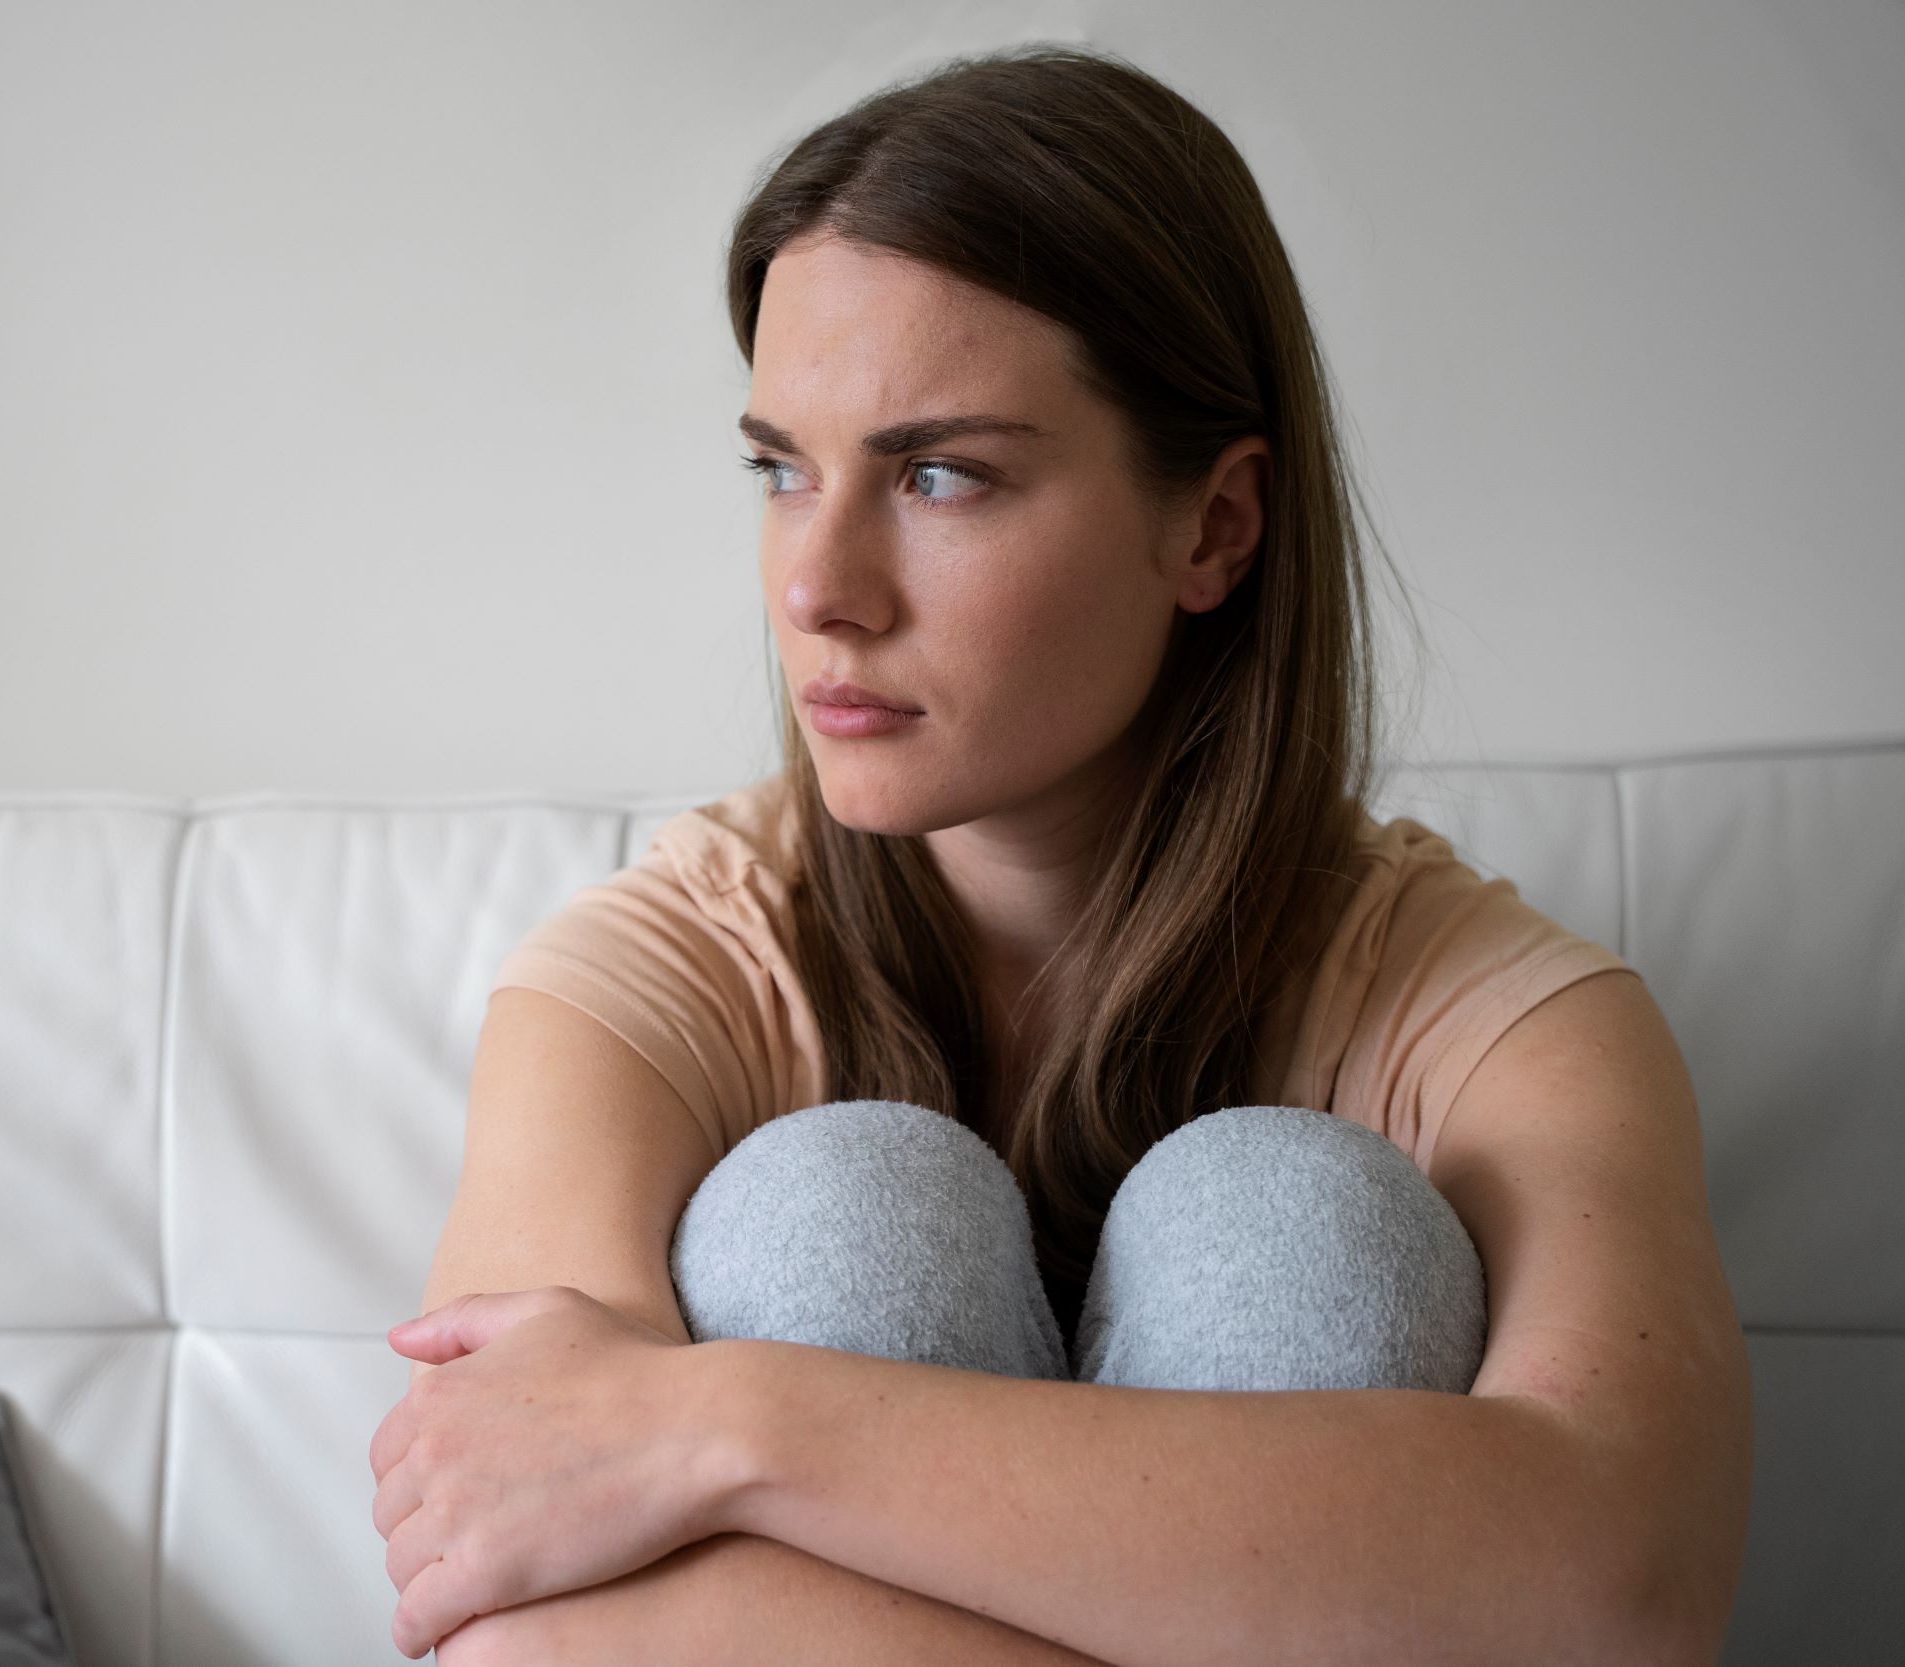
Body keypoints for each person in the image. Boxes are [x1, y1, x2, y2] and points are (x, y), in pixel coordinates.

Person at [368, 42, 1750, 1666]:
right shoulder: (649, 982)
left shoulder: (1516, 1025)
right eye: (779, 469)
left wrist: (732, 1423)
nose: (817, 587)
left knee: (1294, 1221)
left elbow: (1622, 1580)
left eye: (941, 473)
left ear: (1215, 529)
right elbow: (507, 1607)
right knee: (836, 1206)